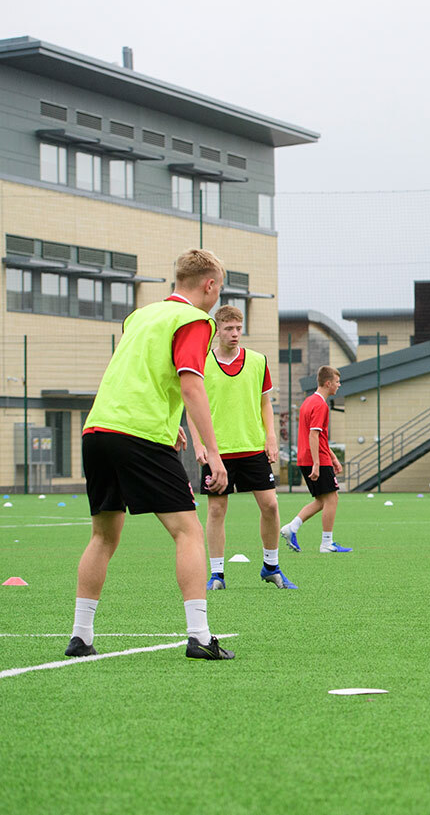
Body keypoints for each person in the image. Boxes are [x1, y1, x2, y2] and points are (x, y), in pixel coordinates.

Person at [69, 248, 235, 660]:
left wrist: (169, 423)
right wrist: (213, 453)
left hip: (98, 430)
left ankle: (81, 636)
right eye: (218, 289)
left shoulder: (139, 316)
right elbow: (191, 384)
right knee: (188, 531)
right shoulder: (195, 320)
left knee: (103, 535)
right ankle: (199, 636)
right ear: (209, 285)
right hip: (137, 436)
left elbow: (140, 376)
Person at [189, 304, 296, 591]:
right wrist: (198, 444)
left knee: (271, 505)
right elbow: (191, 406)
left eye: (238, 328)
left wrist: (270, 436)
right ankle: (217, 575)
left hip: (252, 447)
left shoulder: (258, 361)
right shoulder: (201, 362)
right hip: (218, 452)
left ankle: (271, 567)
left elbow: (265, 403)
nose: (235, 333)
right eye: (229, 329)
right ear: (217, 330)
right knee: (216, 511)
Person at [280, 366, 350, 553]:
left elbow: (320, 437)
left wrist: (333, 458)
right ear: (328, 383)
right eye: (336, 382)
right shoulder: (320, 405)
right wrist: (318, 463)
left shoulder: (308, 402)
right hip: (315, 459)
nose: (339, 385)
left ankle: (291, 528)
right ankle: (326, 543)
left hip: (308, 458)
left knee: (322, 500)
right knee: (332, 498)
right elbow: (313, 435)